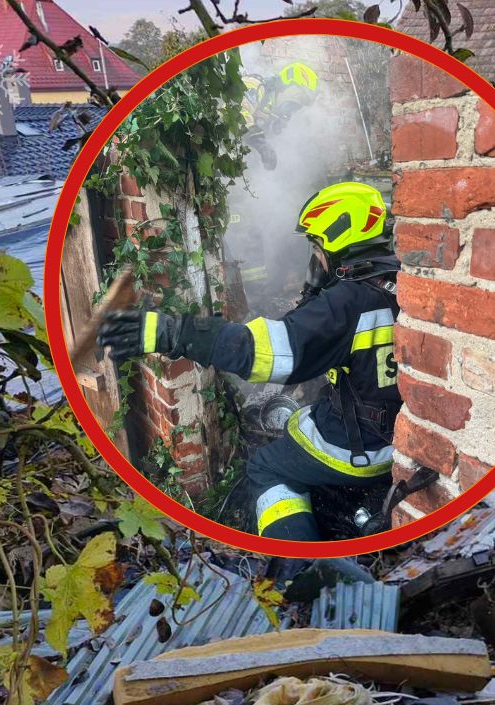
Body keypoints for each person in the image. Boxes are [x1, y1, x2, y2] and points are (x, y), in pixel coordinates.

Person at [98, 182, 402, 542]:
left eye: (316, 246)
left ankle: (295, 560)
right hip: (400, 440)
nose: (314, 256)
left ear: (336, 240)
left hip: (362, 450)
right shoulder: (406, 279)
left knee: (266, 468)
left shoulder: (344, 304)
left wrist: (169, 333)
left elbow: (260, 353)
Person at [241, 61, 320, 170]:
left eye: (303, 103)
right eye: (300, 97)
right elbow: (236, 113)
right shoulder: (256, 85)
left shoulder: (274, 113)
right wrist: (261, 143)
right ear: (288, 85)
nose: (299, 105)